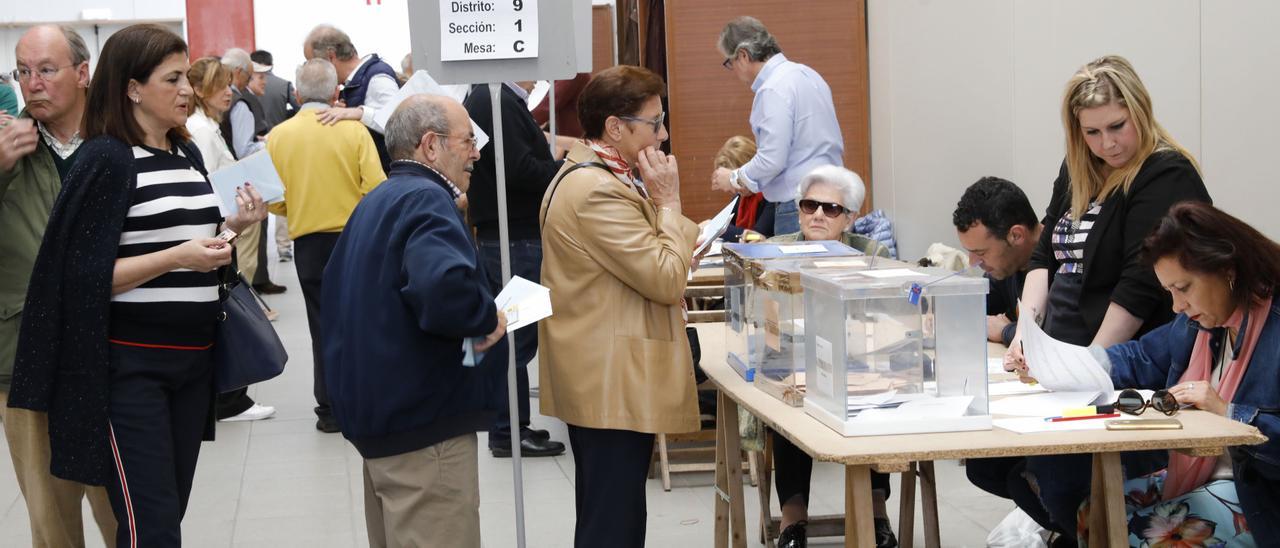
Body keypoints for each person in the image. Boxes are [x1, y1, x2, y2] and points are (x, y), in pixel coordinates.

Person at [7, 24, 266, 546]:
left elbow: (190, 241)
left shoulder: (184, 155)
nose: (187, 91)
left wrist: (230, 230)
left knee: (162, 514)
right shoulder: (107, 160)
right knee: (149, 525)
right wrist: (179, 257)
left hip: (191, 365)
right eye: (172, 79)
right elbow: (78, 278)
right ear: (132, 88)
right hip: (131, 368)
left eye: (186, 78)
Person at [1001, 54, 1212, 540]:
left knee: (1055, 473)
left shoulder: (1164, 173)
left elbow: (1139, 287)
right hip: (1067, 355)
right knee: (996, 467)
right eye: (1092, 133)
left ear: (1140, 110)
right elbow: (1044, 257)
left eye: (1117, 127)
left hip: (1125, 360)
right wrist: (1027, 331)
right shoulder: (1079, 168)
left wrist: (1092, 364)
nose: (1108, 144)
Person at [323, 94, 505, 548]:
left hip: (384, 421)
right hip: (425, 433)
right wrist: (485, 316)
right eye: (468, 140)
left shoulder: (378, 200)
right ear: (431, 145)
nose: (476, 153)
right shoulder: (427, 199)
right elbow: (442, 290)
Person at [538, 65, 698, 548]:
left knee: (610, 513)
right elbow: (666, 279)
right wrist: (669, 203)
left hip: (605, 370)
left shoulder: (604, 175)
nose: (664, 134)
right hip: (609, 378)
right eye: (655, 122)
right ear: (615, 127)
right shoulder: (597, 189)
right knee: (613, 523)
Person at [1065, 202, 1280, 545]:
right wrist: (1066, 363)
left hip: (1263, 495)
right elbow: (1142, 355)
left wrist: (1229, 414)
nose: (1177, 306)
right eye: (1169, 293)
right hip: (1216, 475)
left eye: (1183, 288)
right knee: (1093, 513)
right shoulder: (1203, 321)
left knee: (1142, 535)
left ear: (1227, 269)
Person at [0, 24, 117, 547]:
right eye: (22, 72)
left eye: (46, 70)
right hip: (24, 358)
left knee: (127, 515)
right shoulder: (7, 145)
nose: (32, 84)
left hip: (114, 352)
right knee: (51, 523)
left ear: (83, 72)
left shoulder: (121, 140)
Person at [763, 165, 896, 548]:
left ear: (850, 217)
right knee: (789, 407)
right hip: (792, 365)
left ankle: (876, 512)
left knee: (876, 403)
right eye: (809, 205)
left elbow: (884, 321)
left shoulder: (871, 252)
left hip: (858, 366)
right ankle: (792, 519)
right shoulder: (776, 251)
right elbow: (765, 318)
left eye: (831, 209)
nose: (818, 215)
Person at [267, 58, 385, 433]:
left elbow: (273, 199)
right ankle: (365, 400)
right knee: (363, 321)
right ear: (336, 92)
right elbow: (376, 188)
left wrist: (297, 205)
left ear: (297, 94)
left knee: (321, 325)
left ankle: (329, 408)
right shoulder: (353, 132)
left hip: (309, 245)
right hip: (354, 239)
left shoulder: (280, 136)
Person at [462, 81, 566, 458]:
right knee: (513, 339)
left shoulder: (493, 98)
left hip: (508, 233)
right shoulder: (496, 99)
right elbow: (517, 169)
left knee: (511, 336)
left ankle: (511, 425)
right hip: (514, 236)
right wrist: (566, 170)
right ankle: (507, 430)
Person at [185, 56, 277, 423]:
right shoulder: (202, 130)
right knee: (225, 310)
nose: (228, 92)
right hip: (218, 227)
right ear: (201, 90)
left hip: (224, 226)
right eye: (220, 86)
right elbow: (204, 183)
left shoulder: (207, 125)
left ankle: (229, 396)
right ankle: (228, 398)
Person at [710, 16, 843, 235]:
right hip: (834, 203)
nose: (732, 70)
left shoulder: (772, 88)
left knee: (794, 269)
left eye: (729, 63)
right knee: (823, 269)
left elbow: (772, 160)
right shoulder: (809, 75)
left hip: (799, 206)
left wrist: (733, 178)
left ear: (743, 55)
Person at [220, 48, 286, 296]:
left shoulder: (234, 103)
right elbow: (243, 148)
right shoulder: (240, 103)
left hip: (232, 182)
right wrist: (268, 142)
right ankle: (245, 300)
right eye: (251, 75)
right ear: (240, 73)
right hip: (242, 183)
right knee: (246, 244)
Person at [952, 176, 1041, 346]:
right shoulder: (1007, 265)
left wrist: (1004, 331)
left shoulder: (1064, 263)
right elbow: (974, 308)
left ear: (1016, 236)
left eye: (981, 252)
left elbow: (1056, 341)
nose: (973, 262)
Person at [303, 24, 400, 171]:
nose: (312, 68)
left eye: (314, 62)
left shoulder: (377, 77)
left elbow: (398, 125)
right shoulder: (352, 84)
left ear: (331, 56)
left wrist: (359, 113)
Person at [249, 49, 298, 263]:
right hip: (283, 144)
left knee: (257, 195)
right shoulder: (284, 85)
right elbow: (299, 110)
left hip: (255, 148)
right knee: (282, 192)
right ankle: (284, 245)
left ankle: (257, 252)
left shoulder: (245, 90)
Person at [712, 135, 773, 243]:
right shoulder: (740, 197)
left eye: (734, 180)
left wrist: (715, 227)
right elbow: (724, 224)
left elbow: (755, 237)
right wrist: (716, 227)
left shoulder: (771, 195)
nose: (733, 190)